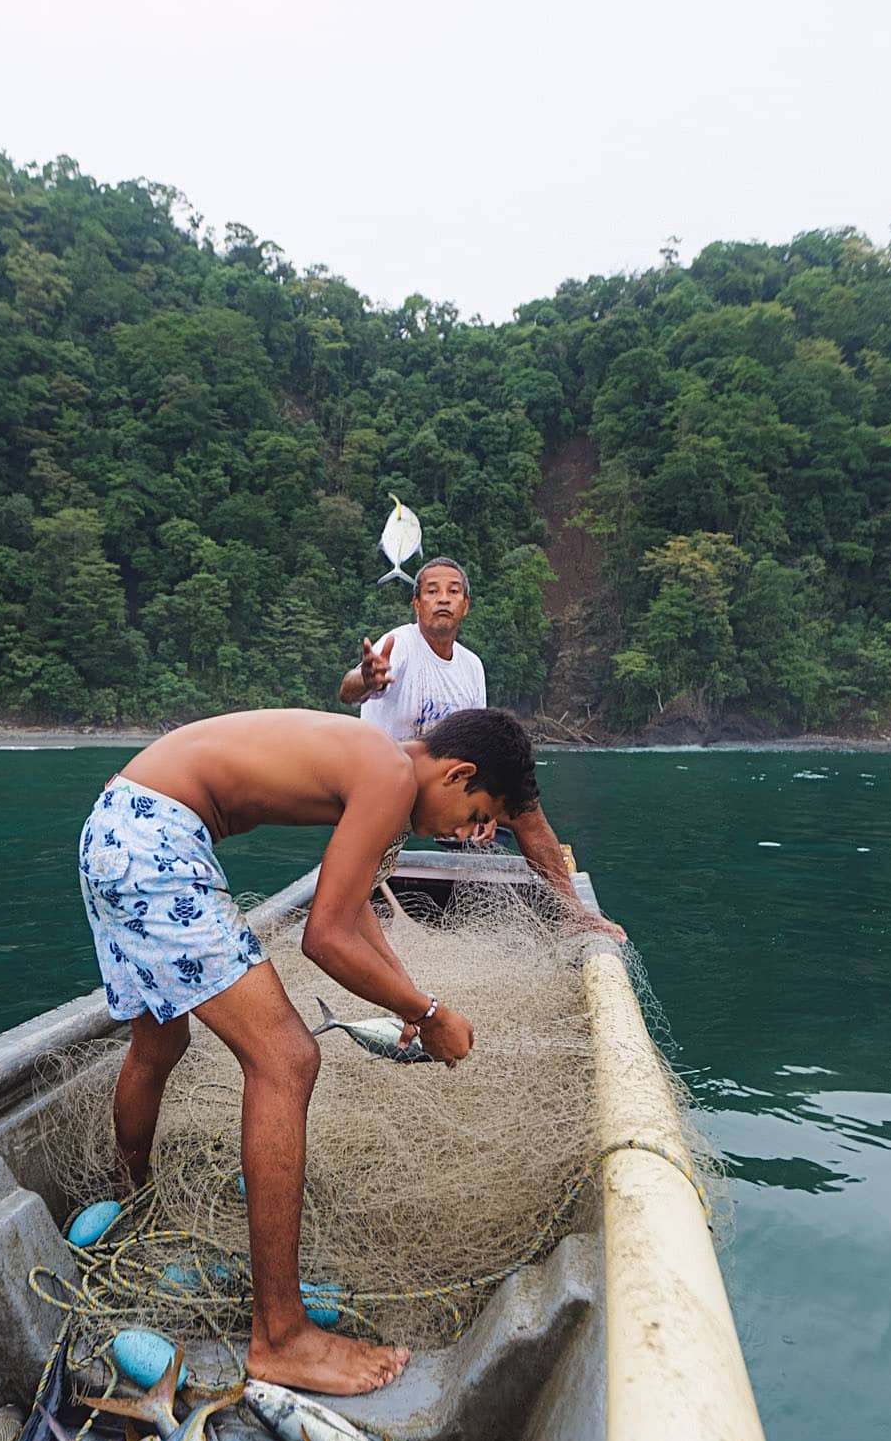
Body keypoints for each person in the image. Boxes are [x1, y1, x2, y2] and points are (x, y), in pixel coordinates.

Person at [78, 706, 540, 1398]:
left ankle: (131, 1202)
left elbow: (353, 912)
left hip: (117, 828)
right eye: (477, 812)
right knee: (288, 1059)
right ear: (458, 772)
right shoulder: (386, 773)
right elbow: (323, 938)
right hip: (155, 848)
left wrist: (407, 999)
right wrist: (431, 1014)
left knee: (160, 1036)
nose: (466, 833)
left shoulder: (381, 768)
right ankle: (282, 1336)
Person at [339, 557, 625, 939]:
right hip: (389, 782)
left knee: (524, 810)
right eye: (432, 591)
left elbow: (481, 746)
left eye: (453, 591)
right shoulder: (401, 646)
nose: (443, 598)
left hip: (447, 789)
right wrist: (366, 677)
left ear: (466, 605)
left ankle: (572, 912)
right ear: (417, 604)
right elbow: (348, 690)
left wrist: (488, 809)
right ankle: (356, 909)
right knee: (360, 879)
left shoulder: (472, 666)